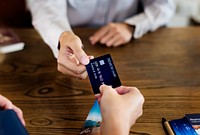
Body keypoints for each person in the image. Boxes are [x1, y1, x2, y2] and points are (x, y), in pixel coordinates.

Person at [27, 0, 175, 79]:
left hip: (133, 50)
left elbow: (164, 5)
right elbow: (44, 8)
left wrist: (132, 25)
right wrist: (62, 36)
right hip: (70, 46)